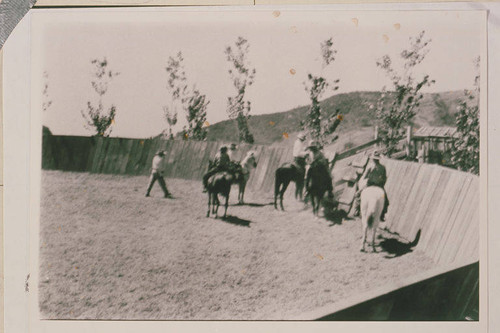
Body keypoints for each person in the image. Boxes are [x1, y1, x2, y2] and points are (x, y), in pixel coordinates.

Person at [355, 151, 389, 221]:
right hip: (379, 185)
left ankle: (357, 210)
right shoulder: (383, 167)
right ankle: (382, 215)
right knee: (386, 201)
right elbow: (384, 179)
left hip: (369, 184)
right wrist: (381, 184)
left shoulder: (370, 166)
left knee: (358, 195)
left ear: (373, 159)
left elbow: (364, 176)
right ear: (378, 159)